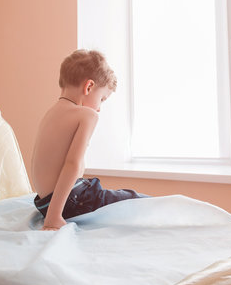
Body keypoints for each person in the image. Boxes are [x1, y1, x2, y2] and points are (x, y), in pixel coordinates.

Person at [32, 49, 148, 231]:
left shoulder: (51, 113)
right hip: (70, 202)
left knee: (117, 195)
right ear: (88, 87)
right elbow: (73, 164)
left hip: (43, 204)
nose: (99, 108)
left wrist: (50, 211)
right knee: (140, 201)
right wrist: (54, 217)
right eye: (102, 99)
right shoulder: (87, 115)